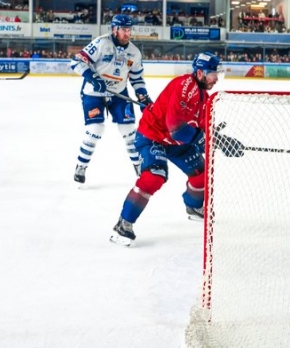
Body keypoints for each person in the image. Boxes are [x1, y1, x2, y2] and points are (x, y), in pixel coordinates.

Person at [110, 51, 222, 246]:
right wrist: (201, 140)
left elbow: (201, 128)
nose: (216, 79)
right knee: (155, 175)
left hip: (176, 142)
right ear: (201, 73)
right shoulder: (185, 86)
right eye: (213, 73)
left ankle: (194, 207)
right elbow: (177, 129)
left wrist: (221, 141)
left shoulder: (204, 96)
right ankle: (123, 224)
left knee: (201, 173)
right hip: (153, 136)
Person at [69, 14, 152, 185]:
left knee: (129, 131)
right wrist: (93, 77)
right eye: (124, 30)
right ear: (114, 30)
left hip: (119, 94)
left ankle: (139, 167)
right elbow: (76, 62)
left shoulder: (134, 53)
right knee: (95, 129)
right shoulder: (101, 43)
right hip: (94, 93)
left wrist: (143, 96)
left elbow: (137, 78)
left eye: (129, 30)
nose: (127, 33)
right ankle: (81, 166)